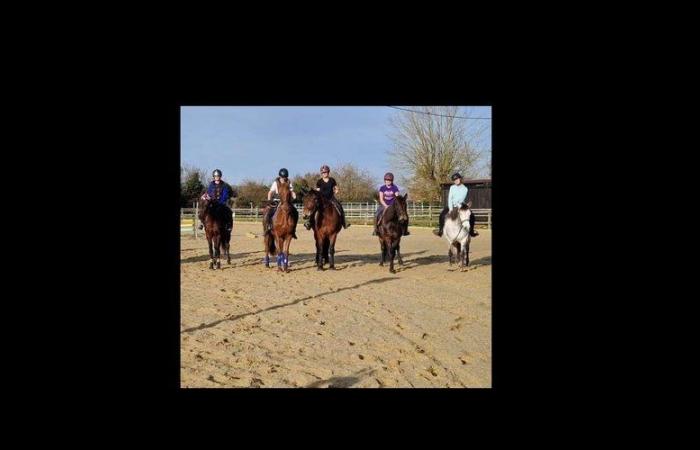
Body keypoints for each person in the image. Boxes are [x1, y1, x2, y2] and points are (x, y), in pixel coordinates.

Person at [304, 164, 350, 230]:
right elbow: (318, 190)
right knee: (314, 208)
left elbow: (336, 188)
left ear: (328, 172)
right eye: (323, 172)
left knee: (339, 206)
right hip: (322, 199)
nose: (324, 174)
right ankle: (309, 222)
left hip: (331, 198)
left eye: (325, 172)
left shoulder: (332, 180)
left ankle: (344, 222)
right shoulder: (319, 181)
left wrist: (336, 190)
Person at [433, 172, 479, 237]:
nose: (456, 181)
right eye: (454, 180)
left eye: (457, 179)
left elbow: (461, 198)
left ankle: (471, 231)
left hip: (461, 206)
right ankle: (440, 231)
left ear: (460, 179)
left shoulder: (465, 189)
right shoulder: (452, 187)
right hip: (452, 205)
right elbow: (450, 198)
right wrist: (451, 208)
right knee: (442, 214)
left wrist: (458, 205)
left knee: (472, 215)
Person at [264, 167, 298, 239]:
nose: (283, 179)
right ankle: (268, 227)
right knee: (269, 212)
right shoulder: (275, 183)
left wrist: (294, 196)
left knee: (295, 212)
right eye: (282, 177)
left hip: (287, 201)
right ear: (280, 176)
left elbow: (292, 191)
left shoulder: (288, 182)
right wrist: (269, 201)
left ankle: (293, 230)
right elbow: (270, 192)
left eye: (285, 177)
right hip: (277, 200)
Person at [372, 172, 409, 236]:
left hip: (393, 205)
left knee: (404, 215)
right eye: (387, 180)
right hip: (384, 205)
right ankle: (376, 230)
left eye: (389, 180)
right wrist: (385, 205)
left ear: (392, 181)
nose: (388, 181)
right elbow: (381, 199)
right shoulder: (382, 188)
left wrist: (396, 205)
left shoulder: (395, 188)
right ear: (384, 180)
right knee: (377, 213)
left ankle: (405, 230)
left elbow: (397, 198)